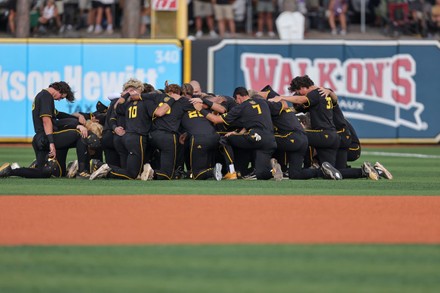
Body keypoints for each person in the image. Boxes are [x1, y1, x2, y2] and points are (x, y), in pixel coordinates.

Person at [0, 81, 91, 179]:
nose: (60, 99)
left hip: (39, 139)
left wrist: (76, 117)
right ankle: (82, 171)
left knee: (43, 172)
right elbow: (46, 121)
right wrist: (51, 143)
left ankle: (11, 171)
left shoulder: (42, 96)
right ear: (59, 90)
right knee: (80, 134)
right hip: (46, 137)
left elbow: (58, 115)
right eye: (62, 96)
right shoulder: (46, 96)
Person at [193, 87, 281, 180]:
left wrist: (200, 110)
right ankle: (273, 170)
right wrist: (236, 132)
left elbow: (216, 119)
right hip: (270, 140)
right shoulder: (263, 102)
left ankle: (231, 172)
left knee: (225, 139)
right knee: (261, 174)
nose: (236, 103)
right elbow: (257, 118)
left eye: (236, 100)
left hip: (255, 137)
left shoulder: (241, 107)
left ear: (238, 97)